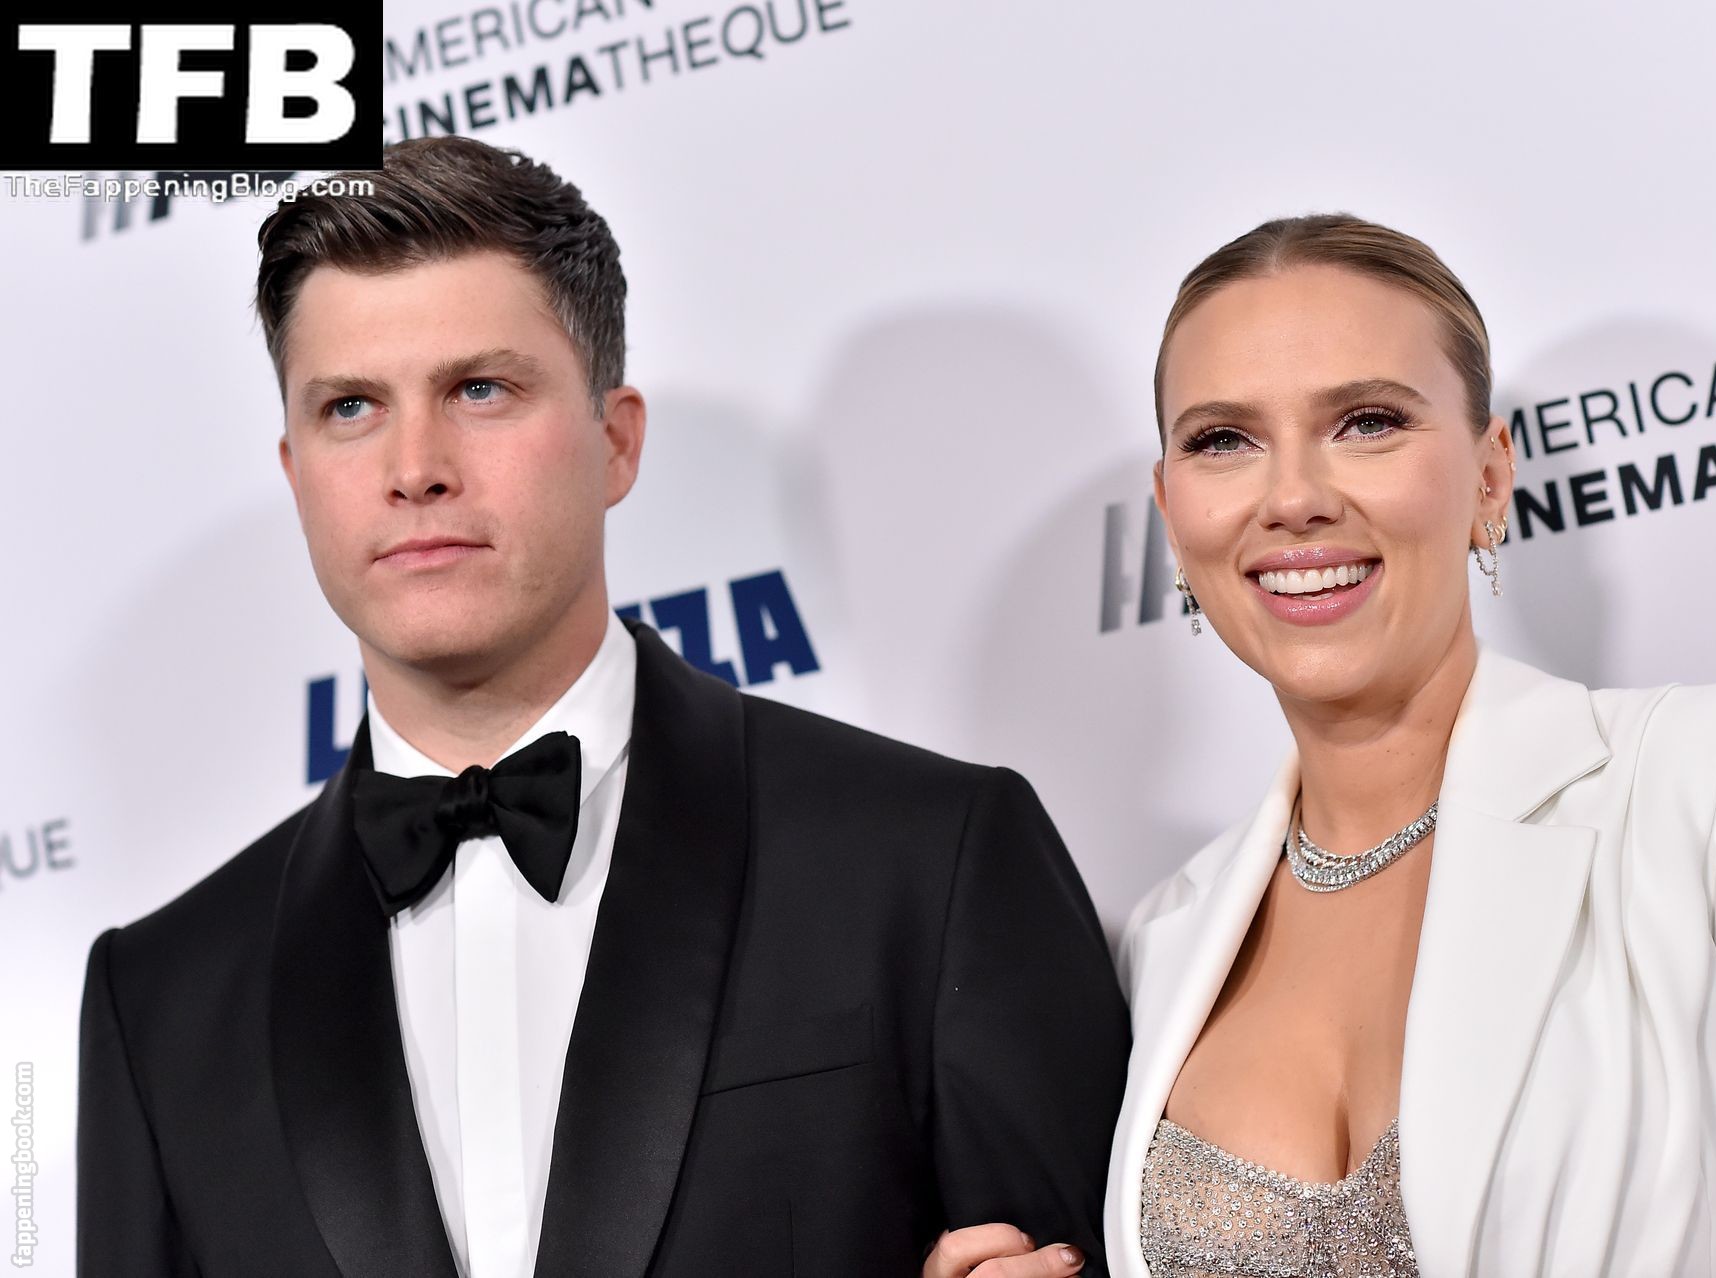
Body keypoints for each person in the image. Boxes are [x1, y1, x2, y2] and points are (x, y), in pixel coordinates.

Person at [76, 136, 1127, 1278]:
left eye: (480, 390)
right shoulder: (161, 1000)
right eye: (352, 407)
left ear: (616, 442)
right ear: (296, 473)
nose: (414, 466)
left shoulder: (928, 859)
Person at [1101, 214, 1716, 1276]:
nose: (1294, 498)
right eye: (1224, 440)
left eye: (1367, 423)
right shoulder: (1164, 936)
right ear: (1172, 514)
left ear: (1490, 477)